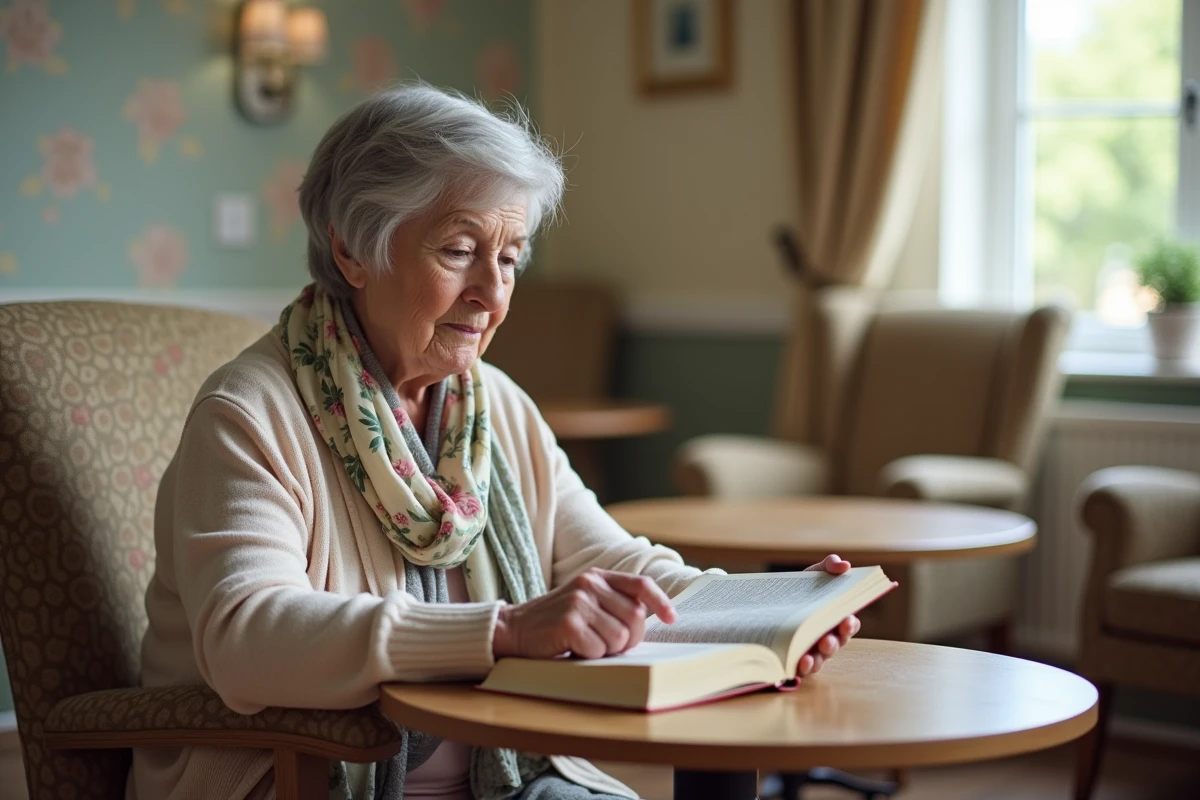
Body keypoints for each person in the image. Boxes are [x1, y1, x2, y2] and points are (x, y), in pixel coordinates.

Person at [129, 84, 861, 800]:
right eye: (458, 250)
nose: (493, 292)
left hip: (511, 778)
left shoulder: (495, 407)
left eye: (509, 258)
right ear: (352, 251)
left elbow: (613, 565)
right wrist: (505, 629)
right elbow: (247, 637)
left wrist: (769, 612)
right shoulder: (250, 413)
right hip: (297, 780)